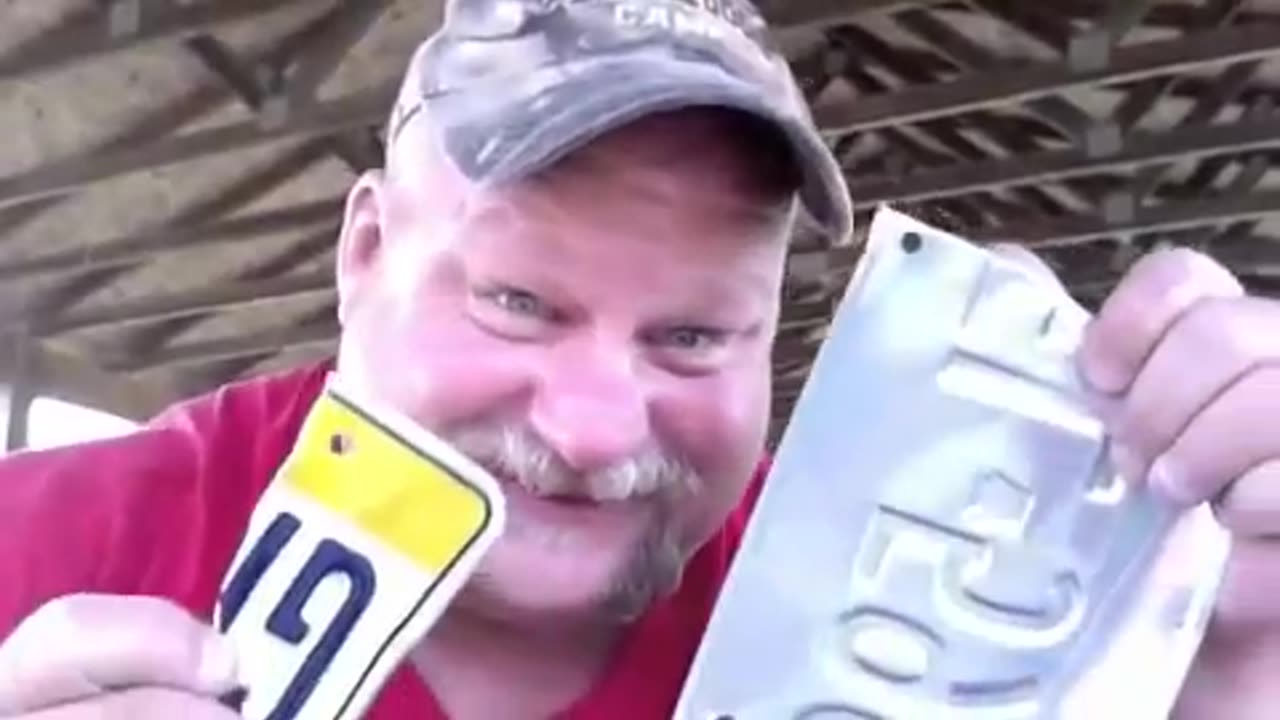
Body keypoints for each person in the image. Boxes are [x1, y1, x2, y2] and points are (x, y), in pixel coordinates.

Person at [0, 0, 1277, 717]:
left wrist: (1224, 665)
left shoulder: (921, 602)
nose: (601, 428)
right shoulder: (43, 550)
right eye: (515, 302)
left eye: (690, 337)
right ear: (364, 252)